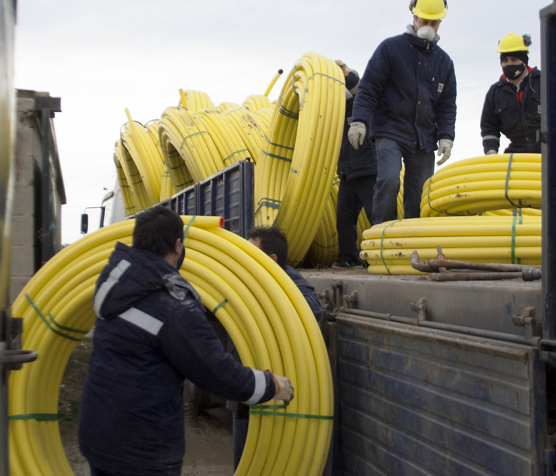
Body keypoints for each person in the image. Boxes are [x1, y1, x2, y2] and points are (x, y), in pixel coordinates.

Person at [78, 206, 294, 476]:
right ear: (178, 246)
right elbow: (215, 371)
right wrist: (270, 385)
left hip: (97, 434)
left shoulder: (115, 282)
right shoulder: (173, 306)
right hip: (142, 449)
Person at [349, 0, 458, 224]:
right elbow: (368, 87)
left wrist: (446, 136)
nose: (428, 26)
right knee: (389, 181)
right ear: (414, 17)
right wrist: (359, 120)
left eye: (434, 23)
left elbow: (447, 105)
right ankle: (382, 235)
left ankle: (412, 241)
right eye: (424, 21)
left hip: (424, 137)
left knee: (420, 195)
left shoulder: (444, 62)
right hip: (390, 130)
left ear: (440, 23)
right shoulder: (391, 49)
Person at [229, 226, 321, 469]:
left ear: (271, 259)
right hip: (248, 389)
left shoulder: (296, 286)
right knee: (246, 460)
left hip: (282, 392)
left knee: (278, 460)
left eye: (251, 252)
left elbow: (312, 311)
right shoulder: (244, 281)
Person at [332, 59, 375, 269]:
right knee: (344, 218)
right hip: (347, 173)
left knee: (376, 215)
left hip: (367, 169)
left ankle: (383, 255)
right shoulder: (339, 110)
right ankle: (351, 257)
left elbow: (359, 86)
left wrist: (347, 73)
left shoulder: (363, 103)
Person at [480, 33, 541, 154]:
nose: (509, 64)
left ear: (524, 61)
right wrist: (491, 152)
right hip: (517, 154)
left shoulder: (545, 82)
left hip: (549, 153)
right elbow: (489, 127)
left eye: (514, 59)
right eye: (505, 60)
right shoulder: (495, 93)